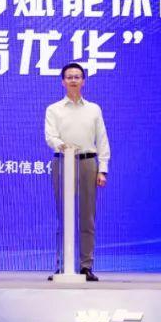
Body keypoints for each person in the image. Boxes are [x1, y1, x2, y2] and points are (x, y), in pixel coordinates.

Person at [44, 62, 110, 282]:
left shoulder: (94, 109)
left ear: (83, 81)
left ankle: (85, 266)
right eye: (69, 77)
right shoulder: (54, 109)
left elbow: (102, 139)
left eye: (77, 77)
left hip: (88, 162)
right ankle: (62, 265)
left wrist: (103, 169)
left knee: (87, 217)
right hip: (63, 162)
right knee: (64, 216)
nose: (73, 80)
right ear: (63, 82)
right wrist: (64, 146)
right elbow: (50, 136)